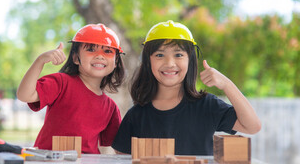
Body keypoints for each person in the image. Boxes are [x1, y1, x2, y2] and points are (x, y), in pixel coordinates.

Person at [112, 20, 261, 155]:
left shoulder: (207, 106)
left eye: (178, 54)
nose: (170, 63)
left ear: (190, 60)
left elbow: (252, 126)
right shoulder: (136, 115)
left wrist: (226, 84)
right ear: (148, 61)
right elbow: (122, 158)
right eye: (159, 55)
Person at [17, 23, 125, 153]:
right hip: (48, 161)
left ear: (116, 62)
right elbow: (24, 95)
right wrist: (40, 60)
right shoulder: (61, 83)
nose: (100, 56)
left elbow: (119, 149)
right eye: (91, 49)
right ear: (75, 58)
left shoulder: (110, 107)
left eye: (107, 51)